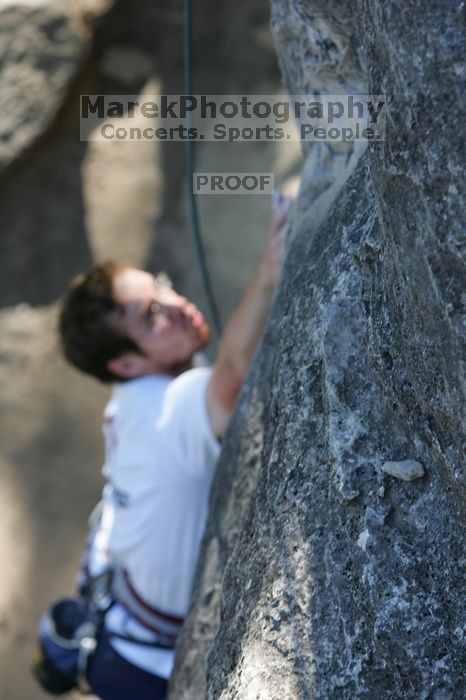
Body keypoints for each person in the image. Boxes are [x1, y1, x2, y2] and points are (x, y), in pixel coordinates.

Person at [58, 196, 292, 700]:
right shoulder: (167, 411)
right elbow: (229, 379)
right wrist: (271, 267)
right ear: (125, 364)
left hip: (123, 617)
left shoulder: (133, 399)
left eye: (159, 285)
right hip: (141, 664)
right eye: (152, 316)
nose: (178, 304)